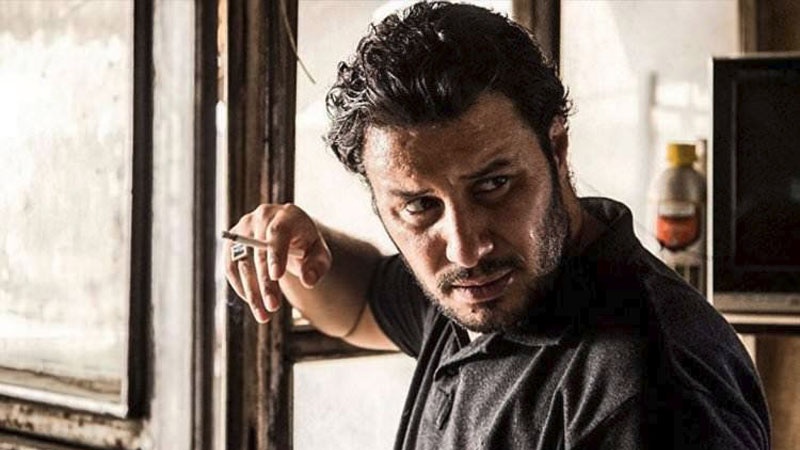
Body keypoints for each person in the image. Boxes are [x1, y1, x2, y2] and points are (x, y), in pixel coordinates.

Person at [224, 2, 770, 449]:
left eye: (493, 185)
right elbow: (361, 302)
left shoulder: (649, 393)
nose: (464, 247)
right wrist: (294, 249)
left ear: (556, 147)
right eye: (420, 206)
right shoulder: (483, 291)